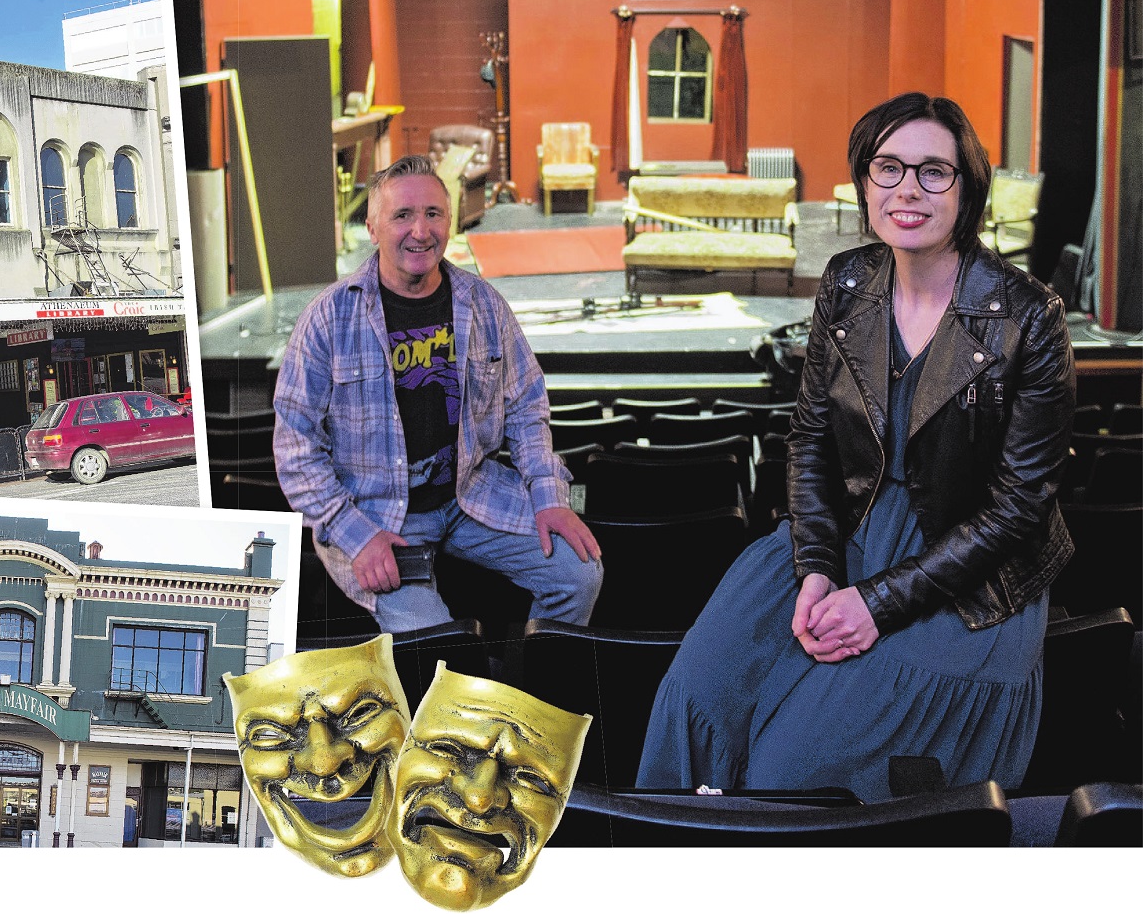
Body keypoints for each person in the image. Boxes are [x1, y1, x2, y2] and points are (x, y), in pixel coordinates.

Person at [637, 93, 1075, 802]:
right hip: (845, 529)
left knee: (793, 773)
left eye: (934, 171)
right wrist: (815, 567)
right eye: (887, 167)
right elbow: (809, 438)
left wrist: (873, 603)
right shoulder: (845, 283)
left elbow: (1017, 508)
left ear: (967, 189)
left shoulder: (1029, 317)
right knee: (695, 703)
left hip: (969, 575)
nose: (907, 188)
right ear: (863, 181)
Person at [274, 155, 602, 634]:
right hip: (379, 512)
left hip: (470, 494)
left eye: (433, 214)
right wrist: (356, 537)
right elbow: (295, 451)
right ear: (371, 226)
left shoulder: (483, 303)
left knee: (579, 573)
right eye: (402, 215)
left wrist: (550, 496)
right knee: (436, 645)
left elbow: (527, 407)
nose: (421, 231)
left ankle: (536, 698)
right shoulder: (327, 318)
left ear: (450, 221)